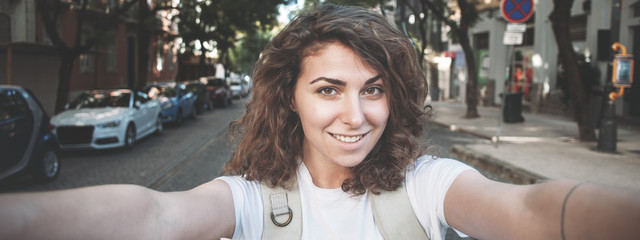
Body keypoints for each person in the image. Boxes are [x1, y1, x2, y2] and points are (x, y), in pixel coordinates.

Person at [1, 4, 639, 240]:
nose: (355, 116)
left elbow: (529, 213)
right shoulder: (251, 201)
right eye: (329, 89)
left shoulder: (427, 185)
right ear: (291, 98)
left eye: (375, 90)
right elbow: (156, 216)